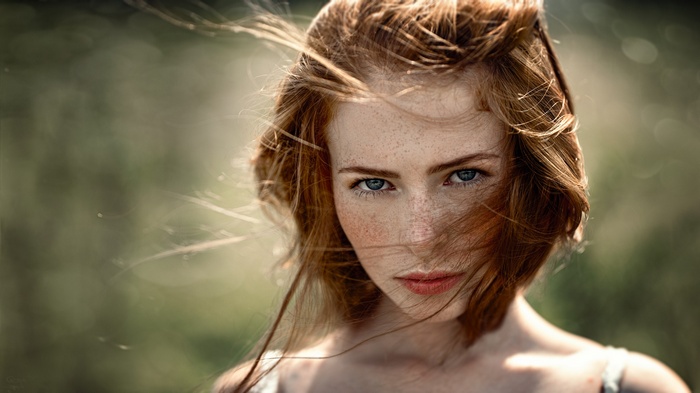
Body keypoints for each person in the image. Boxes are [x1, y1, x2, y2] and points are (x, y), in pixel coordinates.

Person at [206, 0, 691, 391]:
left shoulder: (623, 388)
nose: (422, 236)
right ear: (324, 184)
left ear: (530, 171)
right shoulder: (262, 388)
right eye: (374, 183)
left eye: (463, 176)